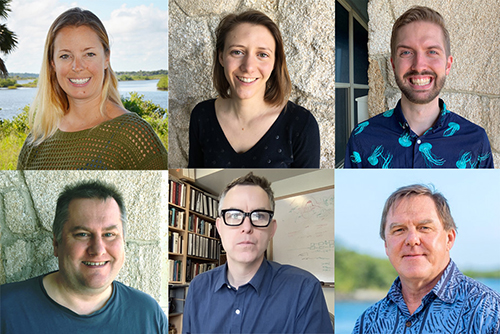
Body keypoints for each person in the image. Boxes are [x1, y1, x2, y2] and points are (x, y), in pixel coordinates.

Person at [1, 180, 168, 333]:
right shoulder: (6, 309)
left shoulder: (148, 313)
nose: (98, 249)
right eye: (82, 234)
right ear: (56, 244)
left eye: (109, 234)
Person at [17, 7, 168, 170]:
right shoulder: (36, 141)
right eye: (65, 56)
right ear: (52, 63)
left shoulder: (135, 136)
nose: (77, 66)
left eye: (89, 54)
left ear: (106, 58)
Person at [183, 173, 333, 334]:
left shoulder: (304, 289)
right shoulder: (197, 288)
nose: (247, 227)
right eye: (234, 215)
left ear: (272, 229)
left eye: (259, 216)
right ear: (219, 227)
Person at [344, 6, 493, 168]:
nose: (419, 66)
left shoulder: (477, 141)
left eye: (432, 52)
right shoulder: (361, 138)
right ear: (393, 65)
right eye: (406, 52)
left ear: (448, 65)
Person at [353, 184, 500, 333]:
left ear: (449, 239)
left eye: (424, 228)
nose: (412, 240)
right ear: (386, 245)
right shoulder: (368, 322)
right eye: (399, 230)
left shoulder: (489, 312)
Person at [188, 10, 320, 168]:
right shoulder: (201, 115)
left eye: (262, 54)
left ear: (275, 62)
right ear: (221, 57)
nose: (248, 67)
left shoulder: (301, 125)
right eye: (237, 52)